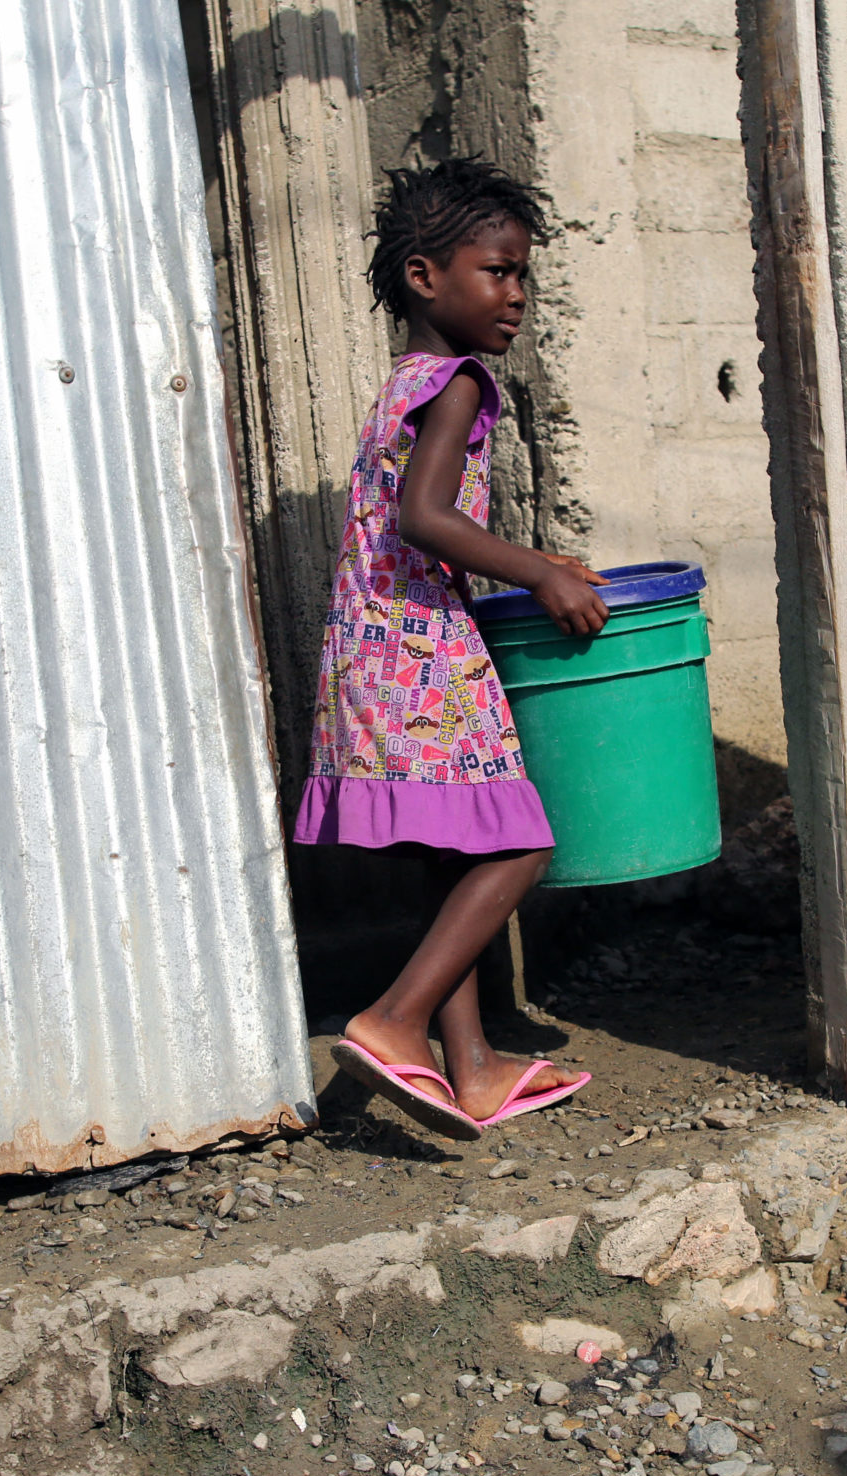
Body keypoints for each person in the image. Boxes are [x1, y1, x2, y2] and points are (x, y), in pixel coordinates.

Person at [293, 158, 611, 1141]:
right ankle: (393, 1022)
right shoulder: (462, 384)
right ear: (427, 277)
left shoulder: (405, 382)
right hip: (424, 652)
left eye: (523, 274)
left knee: (453, 849)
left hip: (370, 649)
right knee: (520, 844)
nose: (515, 294)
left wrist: (524, 556)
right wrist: (541, 575)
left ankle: (471, 1066)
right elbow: (426, 517)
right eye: (496, 270)